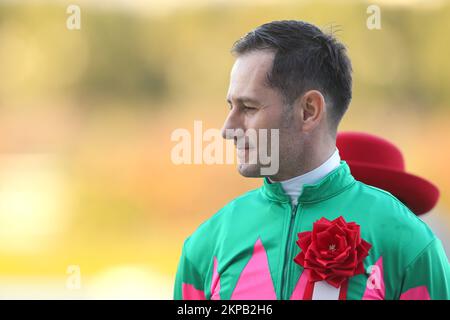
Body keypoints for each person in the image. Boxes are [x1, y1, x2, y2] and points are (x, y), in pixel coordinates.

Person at [173, 20, 450, 300]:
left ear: (309, 111)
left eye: (248, 107)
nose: (227, 128)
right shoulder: (204, 246)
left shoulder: (410, 243)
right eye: (231, 106)